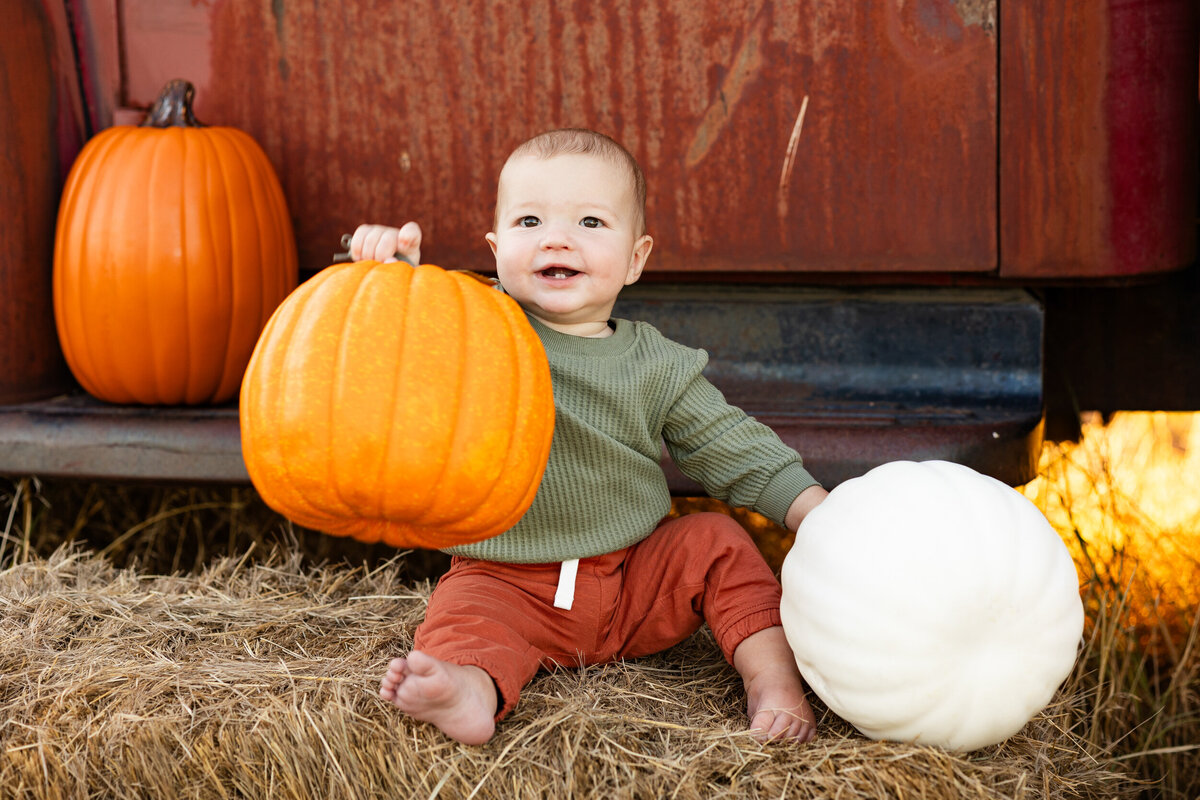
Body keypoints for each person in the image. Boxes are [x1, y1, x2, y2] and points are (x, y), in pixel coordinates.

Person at [349, 129, 829, 746]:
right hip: (506, 579)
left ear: (636, 257)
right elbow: (410, 341)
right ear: (495, 250)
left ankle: (773, 681)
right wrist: (397, 279)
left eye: (590, 222)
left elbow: (728, 443)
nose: (556, 237)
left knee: (717, 543)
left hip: (633, 577)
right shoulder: (481, 330)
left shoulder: (655, 365)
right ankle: (469, 690)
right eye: (529, 220)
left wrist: (814, 509)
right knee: (462, 614)